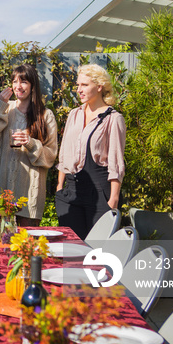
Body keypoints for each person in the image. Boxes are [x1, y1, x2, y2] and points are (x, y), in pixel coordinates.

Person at [55, 63, 126, 240]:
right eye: (78, 85)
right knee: (72, 248)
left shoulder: (113, 118)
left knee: (98, 250)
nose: (79, 89)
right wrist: (59, 187)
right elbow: (64, 153)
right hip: (71, 192)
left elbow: (116, 161)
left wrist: (113, 200)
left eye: (84, 85)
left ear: (100, 86)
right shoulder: (74, 115)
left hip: (100, 192)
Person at [0, 64, 58, 227]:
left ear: (32, 86)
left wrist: (30, 143)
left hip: (30, 197)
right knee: (3, 247)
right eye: (15, 81)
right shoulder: (5, 108)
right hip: (3, 197)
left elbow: (50, 157)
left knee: (25, 248)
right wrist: (0, 105)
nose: (18, 86)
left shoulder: (46, 116)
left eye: (23, 81)